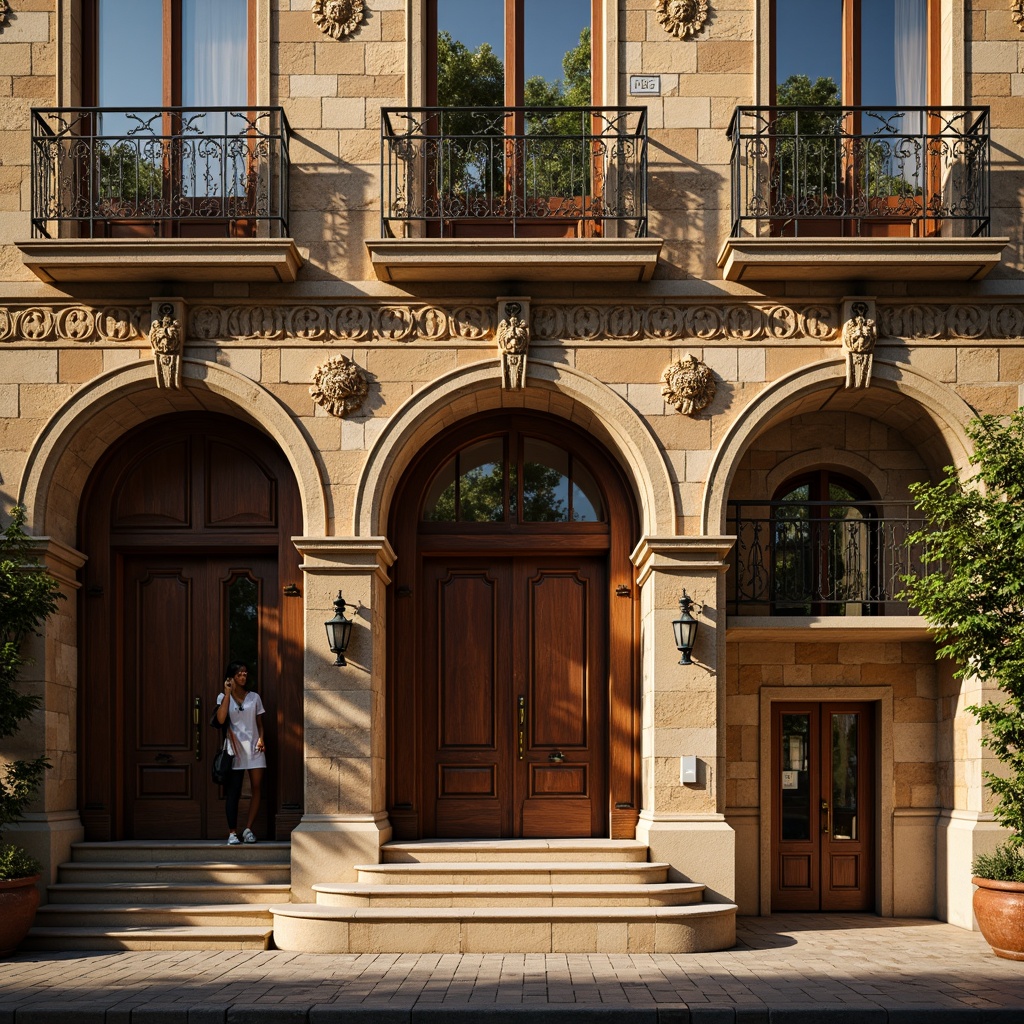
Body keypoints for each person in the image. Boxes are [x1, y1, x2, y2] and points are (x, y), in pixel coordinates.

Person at [214, 661, 266, 845]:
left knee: (257, 788)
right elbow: (220, 720)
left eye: (245, 674)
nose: (243, 677)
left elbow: (260, 724)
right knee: (233, 792)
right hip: (234, 750)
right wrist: (228, 693)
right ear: (231, 678)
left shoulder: (254, 697)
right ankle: (232, 833)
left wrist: (262, 738)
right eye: (239, 674)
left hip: (254, 748)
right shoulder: (222, 697)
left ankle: (249, 829)